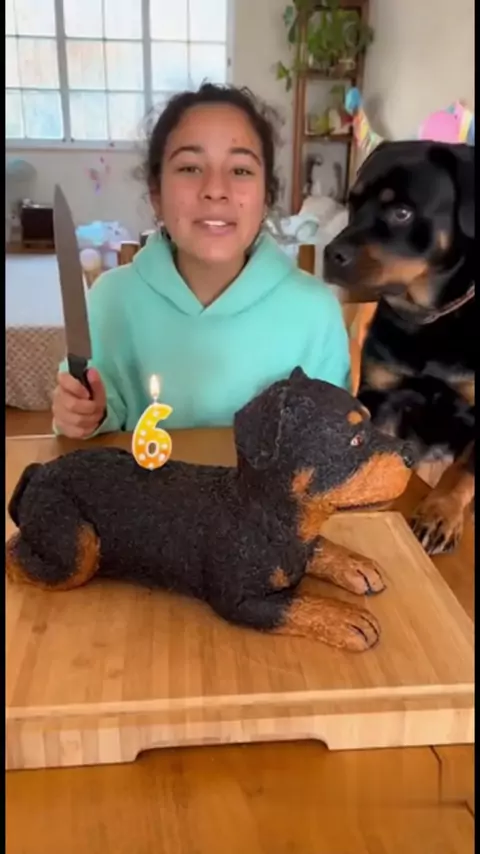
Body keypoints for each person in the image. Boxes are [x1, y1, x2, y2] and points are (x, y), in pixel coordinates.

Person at [52, 83, 351, 439]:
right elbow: (92, 415)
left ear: (266, 198)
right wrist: (84, 414)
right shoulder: (111, 300)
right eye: (191, 168)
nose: (215, 189)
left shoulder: (315, 311)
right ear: (156, 194)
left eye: (240, 170)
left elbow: (333, 440)